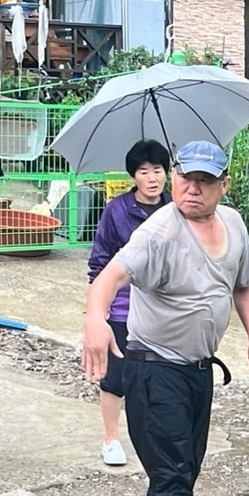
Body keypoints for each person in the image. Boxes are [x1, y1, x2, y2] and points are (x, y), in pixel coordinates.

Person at [83, 140, 249, 496]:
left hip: (197, 370)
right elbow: (108, 277)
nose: (192, 189)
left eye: (205, 181)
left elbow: (245, 283)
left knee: (181, 471)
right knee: (171, 476)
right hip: (151, 369)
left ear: (223, 186)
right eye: (185, 178)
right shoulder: (159, 231)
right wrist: (95, 320)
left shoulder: (232, 224)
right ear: (175, 179)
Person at [87, 139, 172, 467]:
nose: (153, 178)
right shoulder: (117, 210)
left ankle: (154, 436)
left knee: (159, 374)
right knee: (117, 375)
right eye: (144, 171)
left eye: (159, 170)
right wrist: (98, 310)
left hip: (163, 307)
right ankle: (110, 440)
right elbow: (100, 262)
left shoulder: (176, 210)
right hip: (123, 307)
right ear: (133, 176)